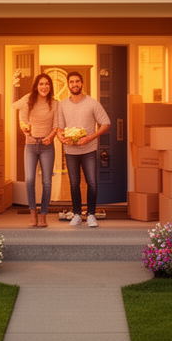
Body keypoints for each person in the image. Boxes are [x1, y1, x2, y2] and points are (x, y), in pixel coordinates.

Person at [54, 70, 110, 227]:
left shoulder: (92, 103)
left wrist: (90, 137)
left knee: (92, 182)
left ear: (82, 84)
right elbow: (59, 127)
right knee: (74, 183)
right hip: (70, 151)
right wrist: (61, 137)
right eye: (71, 82)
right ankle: (77, 214)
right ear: (68, 84)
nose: (74, 84)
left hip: (89, 150)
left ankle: (91, 214)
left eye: (77, 81)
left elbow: (106, 123)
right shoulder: (62, 105)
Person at [17, 73, 59, 228]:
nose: (44, 87)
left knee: (47, 182)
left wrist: (51, 136)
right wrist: (25, 129)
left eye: (47, 84)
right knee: (29, 180)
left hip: (47, 146)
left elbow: (57, 124)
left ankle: (43, 214)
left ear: (50, 87)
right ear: (36, 86)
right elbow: (22, 121)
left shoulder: (55, 104)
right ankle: (32, 213)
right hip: (30, 145)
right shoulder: (28, 100)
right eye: (41, 84)